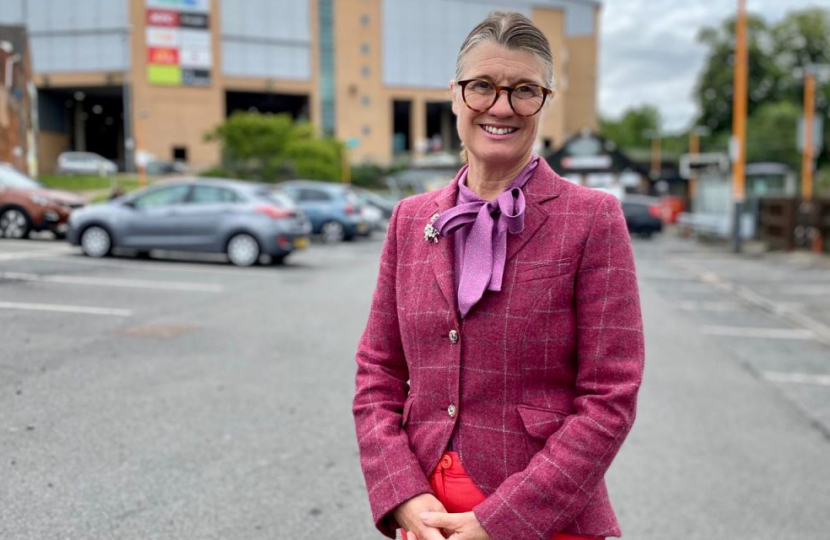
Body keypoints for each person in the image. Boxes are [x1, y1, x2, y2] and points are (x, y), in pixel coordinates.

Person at [353, 11, 644, 540]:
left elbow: (609, 397)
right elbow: (377, 374)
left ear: (545, 101)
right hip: (426, 521)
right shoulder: (410, 219)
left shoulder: (592, 218)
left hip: (547, 521)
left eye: (524, 90)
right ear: (455, 94)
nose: (501, 106)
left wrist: (499, 522)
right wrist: (403, 496)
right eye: (482, 86)